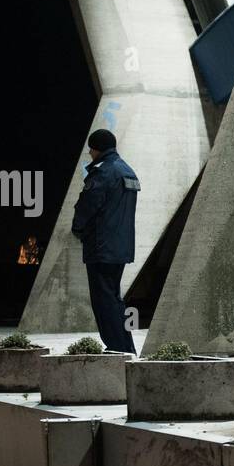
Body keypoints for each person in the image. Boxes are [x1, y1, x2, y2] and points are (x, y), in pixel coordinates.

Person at [71, 128, 140, 354]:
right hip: (120, 247)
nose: (90, 154)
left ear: (97, 148)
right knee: (114, 299)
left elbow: (88, 206)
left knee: (104, 302)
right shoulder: (128, 171)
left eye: (91, 149)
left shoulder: (103, 172)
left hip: (101, 247)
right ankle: (126, 346)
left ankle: (117, 349)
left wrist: (78, 229)